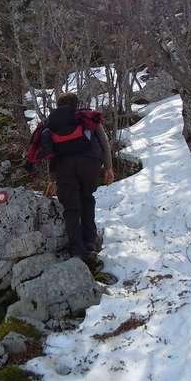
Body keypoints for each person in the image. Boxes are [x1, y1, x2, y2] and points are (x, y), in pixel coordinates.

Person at [41, 92, 113, 260]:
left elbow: (51, 154)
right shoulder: (86, 117)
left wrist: (52, 179)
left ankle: (77, 250)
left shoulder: (53, 124)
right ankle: (90, 242)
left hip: (64, 168)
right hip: (89, 164)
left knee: (71, 208)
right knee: (87, 199)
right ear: (76, 104)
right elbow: (104, 143)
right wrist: (108, 167)